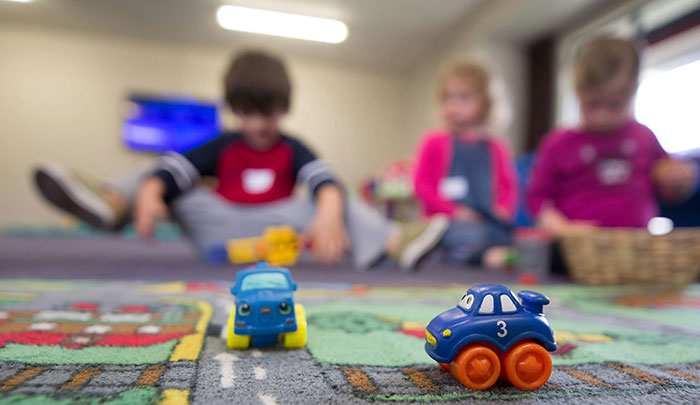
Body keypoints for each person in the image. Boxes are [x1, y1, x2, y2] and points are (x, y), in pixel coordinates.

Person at [33, 50, 448, 270]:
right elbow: (172, 170)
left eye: (267, 113)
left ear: (283, 108)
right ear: (234, 109)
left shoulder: (292, 146)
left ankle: (397, 243)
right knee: (156, 171)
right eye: (247, 112)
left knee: (335, 194)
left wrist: (329, 210)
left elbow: (323, 180)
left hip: (278, 229)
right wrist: (152, 191)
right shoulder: (224, 143)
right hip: (218, 226)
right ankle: (111, 204)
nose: (258, 123)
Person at [527, 36, 698, 235]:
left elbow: (668, 189)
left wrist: (680, 180)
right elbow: (537, 199)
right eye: (592, 104)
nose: (602, 116)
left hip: (636, 247)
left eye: (614, 105)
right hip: (575, 250)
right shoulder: (558, 143)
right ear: (577, 94)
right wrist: (563, 229)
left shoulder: (643, 136)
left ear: (632, 94)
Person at [413, 61, 518, 269]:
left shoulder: (496, 147)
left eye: (463, 97)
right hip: (445, 222)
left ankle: (474, 254)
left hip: (483, 220)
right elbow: (422, 186)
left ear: (485, 103)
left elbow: (508, 186)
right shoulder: (434, 142)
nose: (453, 105)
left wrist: (502, 209)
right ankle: (476, 255)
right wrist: (455, 212)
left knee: (506, 234)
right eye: (448, 97)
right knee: (455, 233)